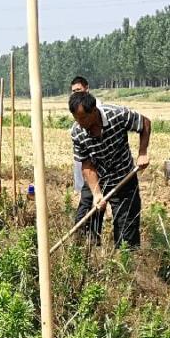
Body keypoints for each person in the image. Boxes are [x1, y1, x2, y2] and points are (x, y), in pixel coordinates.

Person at [68, 90, 151, 249]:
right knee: (85, 223)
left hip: (124, 178)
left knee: (127, 232)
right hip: (97, 178)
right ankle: (90, 258)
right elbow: (86, 164)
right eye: (76, 118)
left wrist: (142, 153)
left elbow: (145, 123)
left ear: (93, 111)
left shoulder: (117, 114)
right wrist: (97, 193)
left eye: (83, 118)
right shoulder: (77, 132)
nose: (79, 122)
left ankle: (127, 265)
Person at [68, 76, 102, 245]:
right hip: (83, 162)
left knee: (95, 200)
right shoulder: (75, 109)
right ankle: (80, 237)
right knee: (86, 196)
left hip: (98, 163)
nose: (76, 93)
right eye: (74, 91)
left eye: (79, 90)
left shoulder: (95, 107)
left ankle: (93, 238)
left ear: (87, 89)